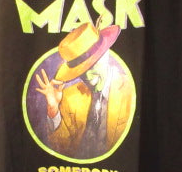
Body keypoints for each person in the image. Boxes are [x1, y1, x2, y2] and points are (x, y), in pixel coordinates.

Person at [36, 22, 134, 160]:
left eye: (92, 65)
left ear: (106, 55)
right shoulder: (69, 96)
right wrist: (53, 110)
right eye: (80, 71)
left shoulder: (130, 92)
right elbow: (62, 149)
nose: (88, 77)